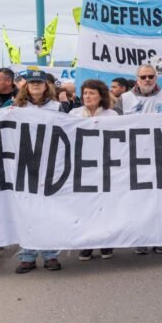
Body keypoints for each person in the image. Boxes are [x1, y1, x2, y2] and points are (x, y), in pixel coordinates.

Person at [118, 64, 162, 255]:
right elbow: (114, 124)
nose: (147, 80)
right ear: (137, 79)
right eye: (143, 77)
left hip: (160, 155)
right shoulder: (125, 99)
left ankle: (160, 238)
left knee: (160, 199)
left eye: (151, 76)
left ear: (156, 78)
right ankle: (141, 238)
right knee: (138, 199)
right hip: (134, 156)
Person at [12, 70, 63, 273]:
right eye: (31, 82)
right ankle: (28, 255)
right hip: (24, 165)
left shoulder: (57, 106)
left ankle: (50, 255)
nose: (35, 85)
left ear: (45, 85)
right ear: (26, 86)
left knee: (49, 212)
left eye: (39, 82)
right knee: (26, 212)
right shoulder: (16, 107)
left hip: (49, 164)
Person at [69, 79, 119, 260]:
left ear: (100, 96)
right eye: (85, 93)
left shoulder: (112, 115)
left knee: (105, 206)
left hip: (105, 166)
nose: (88, 96)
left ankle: (106, 243)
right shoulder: (73, 114)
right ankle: (87, 243)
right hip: (82, 168)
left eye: (92, 93)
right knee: (85, 207)